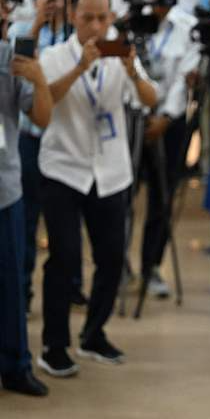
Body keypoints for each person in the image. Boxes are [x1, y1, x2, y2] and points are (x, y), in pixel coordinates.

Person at [36, 0, 157, 377]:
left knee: (112, 257)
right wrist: (80, 68)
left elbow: (150, 99)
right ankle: (54, 345)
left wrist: (132, 73)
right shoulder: (54, 55)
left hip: (110, 172)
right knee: (65, 256)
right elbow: (45, 101)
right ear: (73, 17)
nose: (95, 26)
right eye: (87, 18)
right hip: (63, 169)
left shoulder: (120, 52)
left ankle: (94, 333)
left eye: (102, 18)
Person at [7, 0, 72, 311]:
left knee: (66, 222)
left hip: (65, 139)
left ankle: (72, 285)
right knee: (28, 219)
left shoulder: (76, 32)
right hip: (28, 138)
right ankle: (23, 289)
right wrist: (37, 25)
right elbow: (19, 66)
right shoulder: (19, 29)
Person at [0, 37, 52, 397]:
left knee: (10, 280)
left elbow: (41, 116)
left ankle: (16, 364)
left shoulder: (9, 55)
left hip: (4, 188)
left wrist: (39, 79)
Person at [137, 0, 199, 298]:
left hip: (169, 122)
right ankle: (116, 265)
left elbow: (183, 79)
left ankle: (151, 266)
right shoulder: (132, 19)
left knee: (161, 199)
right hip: (133, 117)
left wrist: (165, 117)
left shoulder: (186, 26)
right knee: (120, 197)